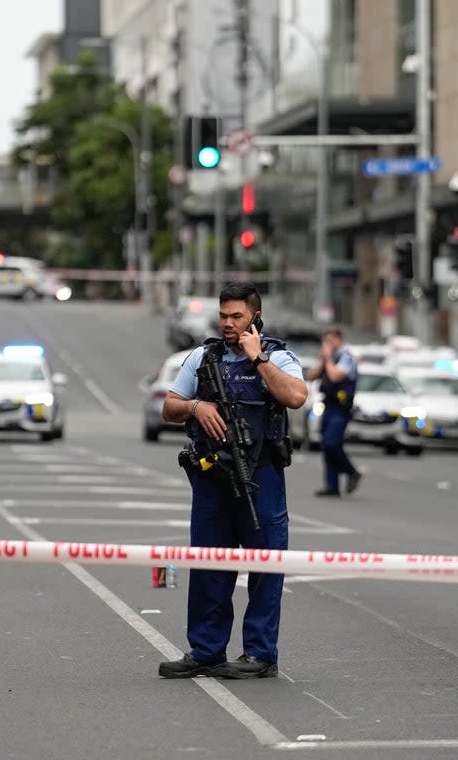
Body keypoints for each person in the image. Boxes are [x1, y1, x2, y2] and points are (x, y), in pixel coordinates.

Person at [157, 282, 307, 680]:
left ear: (255, 317)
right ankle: (206, 651)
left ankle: (260, 654)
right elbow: (169, 406)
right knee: (208, 564)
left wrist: (257, 360)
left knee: (265, 566)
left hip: (261, 476)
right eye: (223, 315)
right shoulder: (203, 357)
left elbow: (295, 396)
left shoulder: (278, 356)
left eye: (236, 316)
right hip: (211, 476)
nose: (227, 323)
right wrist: (196, 406)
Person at [305, 327, 362, 497]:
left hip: (341, 407)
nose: (326, 345)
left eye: (329, 341)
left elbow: (336, 376)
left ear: (339, 339)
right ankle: (332, 486)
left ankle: (352, 472)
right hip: (328, 406)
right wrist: (324, 360)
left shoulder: (346, 357)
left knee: (332, 443)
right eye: (325, 342)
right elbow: (310, 375)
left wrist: (327, 358)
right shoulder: (330, 358)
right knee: (326, 446)